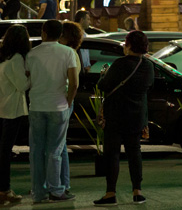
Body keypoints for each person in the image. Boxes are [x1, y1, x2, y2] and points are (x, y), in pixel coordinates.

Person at [93, 29, 153, 206]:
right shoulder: (148, 66)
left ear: (129, 45)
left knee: (112, 154)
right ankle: (137, 192)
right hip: (137, 115)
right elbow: (148, 86)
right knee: (134, 153)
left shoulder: (120, 64)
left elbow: (104, 85)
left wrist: (102, 76)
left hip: (116, 115)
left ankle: (110, 193)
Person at [27, 19, 78, 203]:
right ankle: (56, 190)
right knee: (54, 151)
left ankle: (38, 192)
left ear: (44, 33)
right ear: (60, 34)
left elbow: (27, 78)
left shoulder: (32, 54)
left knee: (36, 151)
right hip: (58, 106)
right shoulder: (67, 52)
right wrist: (68, 101)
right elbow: (74, 82)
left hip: (37, 106)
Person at [0, 24, 30, 206]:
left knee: (1, 150)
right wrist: (30, 76)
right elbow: (23, 85)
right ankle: (4, 190)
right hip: (12, 110)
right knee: (5, 152)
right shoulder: (16, 58)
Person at [57, 21, 84, 194]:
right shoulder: (72, 53)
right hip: (65, 100)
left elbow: (72, 83)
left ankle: (64, 183)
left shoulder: (69, 54)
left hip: (64, 100)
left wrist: (67, 101)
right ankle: (61, 183)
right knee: (59, 144)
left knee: (60, 145)